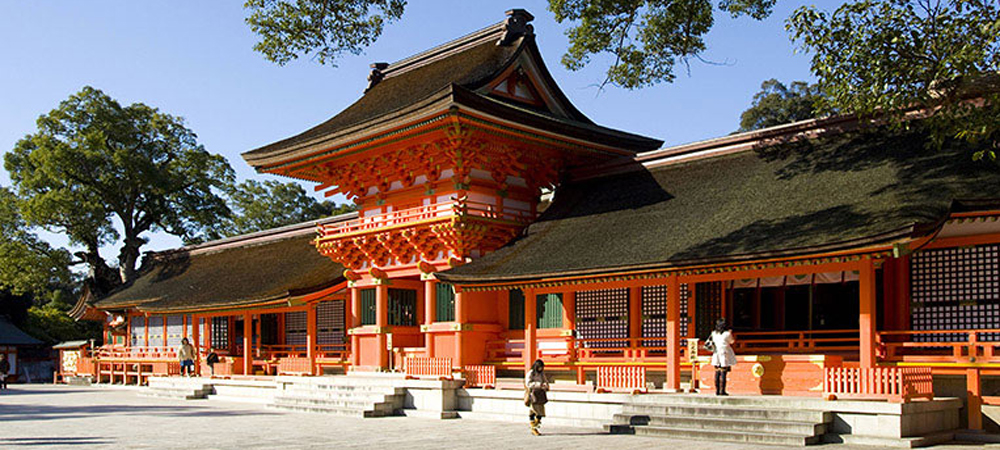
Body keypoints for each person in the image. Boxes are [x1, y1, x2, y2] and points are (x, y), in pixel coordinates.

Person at [709, 319, 736, 396]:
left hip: (716, 352)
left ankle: (717, 390)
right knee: (723, 372)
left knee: (717, 372)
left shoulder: (714, 333)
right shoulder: (727, 334)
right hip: (724, 352)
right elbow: (731, 341)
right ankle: (722, 390)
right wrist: (730, 333)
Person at [524, 359, 549, 436]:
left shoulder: (541, 374)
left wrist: (545, 385)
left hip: (540, 394)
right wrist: (538, 384)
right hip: (533, 394)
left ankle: (535, 426)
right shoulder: (531, 373)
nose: (541, 369)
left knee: (540, 412)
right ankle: (534, 428)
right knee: (534, 411)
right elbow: (528, 383)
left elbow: (545, 381)